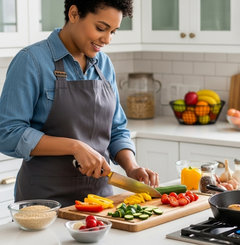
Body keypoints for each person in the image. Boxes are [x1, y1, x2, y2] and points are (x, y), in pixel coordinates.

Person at [0, 0, 159, 207]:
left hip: (101, 203)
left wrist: (131, 166)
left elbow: (116, 129)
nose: (107, 39)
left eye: (113, 32)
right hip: (44, 206)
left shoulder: (104, 64)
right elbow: (7, 133)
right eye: (101, 28)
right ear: (74, 14)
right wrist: (74, 146)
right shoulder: (31, 61)